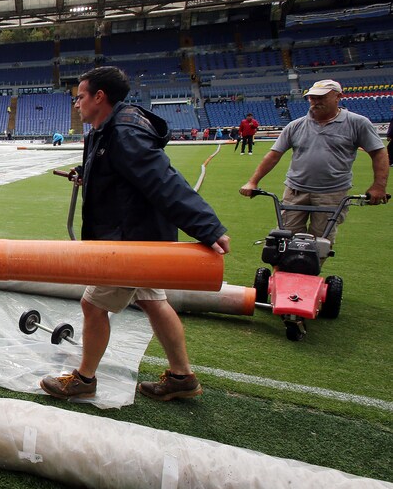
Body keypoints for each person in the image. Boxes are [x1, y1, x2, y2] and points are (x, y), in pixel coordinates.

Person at [40, 67, 230, 403]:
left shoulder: (124, 132)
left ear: (99, 97)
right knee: (153, 302)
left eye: (80, 97)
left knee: (92, 305)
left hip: (129, 238)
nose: (76, 104)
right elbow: (118, 168)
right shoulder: (108, 128)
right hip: (140, 235)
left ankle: (84, 379)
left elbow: (162, 180)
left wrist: (207, 226)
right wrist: (86, 173)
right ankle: (182, 377)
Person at [239, 79, 388, 243]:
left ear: (338, 97)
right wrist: (253, 182)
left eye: (321, 97)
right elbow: (273, 155)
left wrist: (379, 186)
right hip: (295, 191)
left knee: (321, 242)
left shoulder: (357, 123)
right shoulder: (296, 125)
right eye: (312, 98)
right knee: (285, 238)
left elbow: (378, 153)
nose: (315, 101)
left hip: (332, 194)